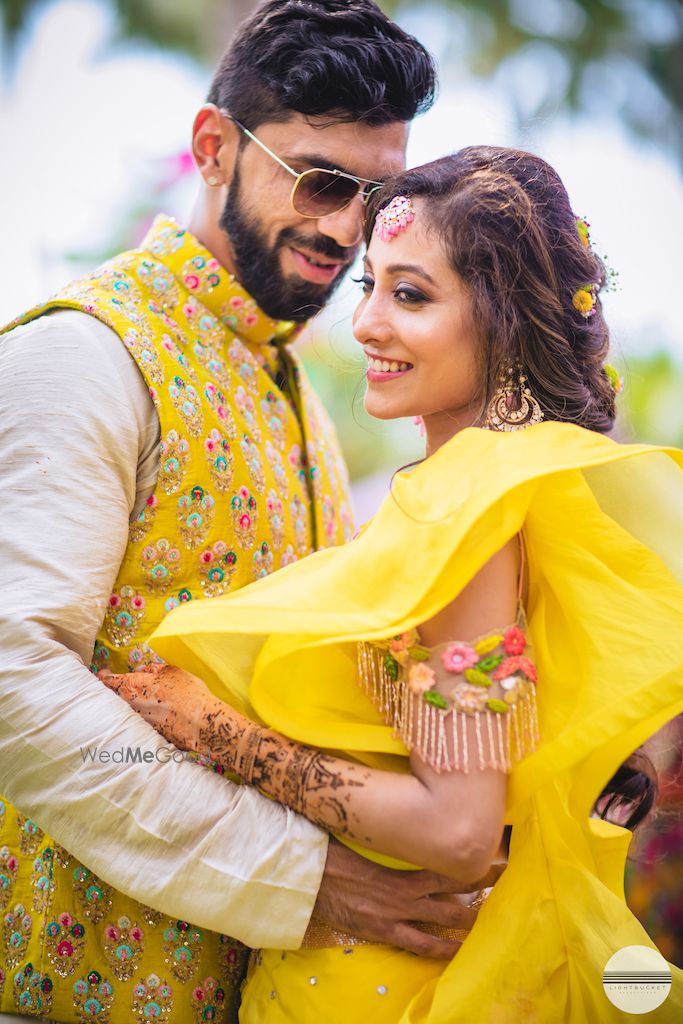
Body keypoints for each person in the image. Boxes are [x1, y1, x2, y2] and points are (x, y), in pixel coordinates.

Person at [104, 146, 683, 1023]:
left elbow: (456, 833)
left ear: (501, 317)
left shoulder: (468, 510)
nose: (366, 324)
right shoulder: (527, 489)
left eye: (410, 295)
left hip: (375, 985)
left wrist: (213, 730)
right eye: (367, 286)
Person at [0, 4, 485, 1023]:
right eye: (319, 180)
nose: (347, 228)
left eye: (376, 194)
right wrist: (297, 878)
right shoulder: (85, 353)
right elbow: (18, 679)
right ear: (212, 146)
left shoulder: (290, 387)